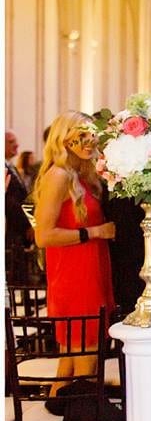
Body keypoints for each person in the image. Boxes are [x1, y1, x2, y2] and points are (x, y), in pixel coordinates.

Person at [32, 111, 115, 385]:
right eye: (82, 135)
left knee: (72, 361)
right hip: (74, 275)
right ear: (64, 139)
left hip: (89, 269)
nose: (90, 141)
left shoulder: (80, 176)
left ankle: (62, 411)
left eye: (93, 134)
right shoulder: (58, 175)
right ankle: (85, 418)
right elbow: (43, 235)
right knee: (85, 359)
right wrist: (94, 232)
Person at [5, 130, 33, 283]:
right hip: (12, 229)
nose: (17, 145)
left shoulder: (11, 166)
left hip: (19, 230)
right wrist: (28, 224)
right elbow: (11, 203)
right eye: (11, 142)